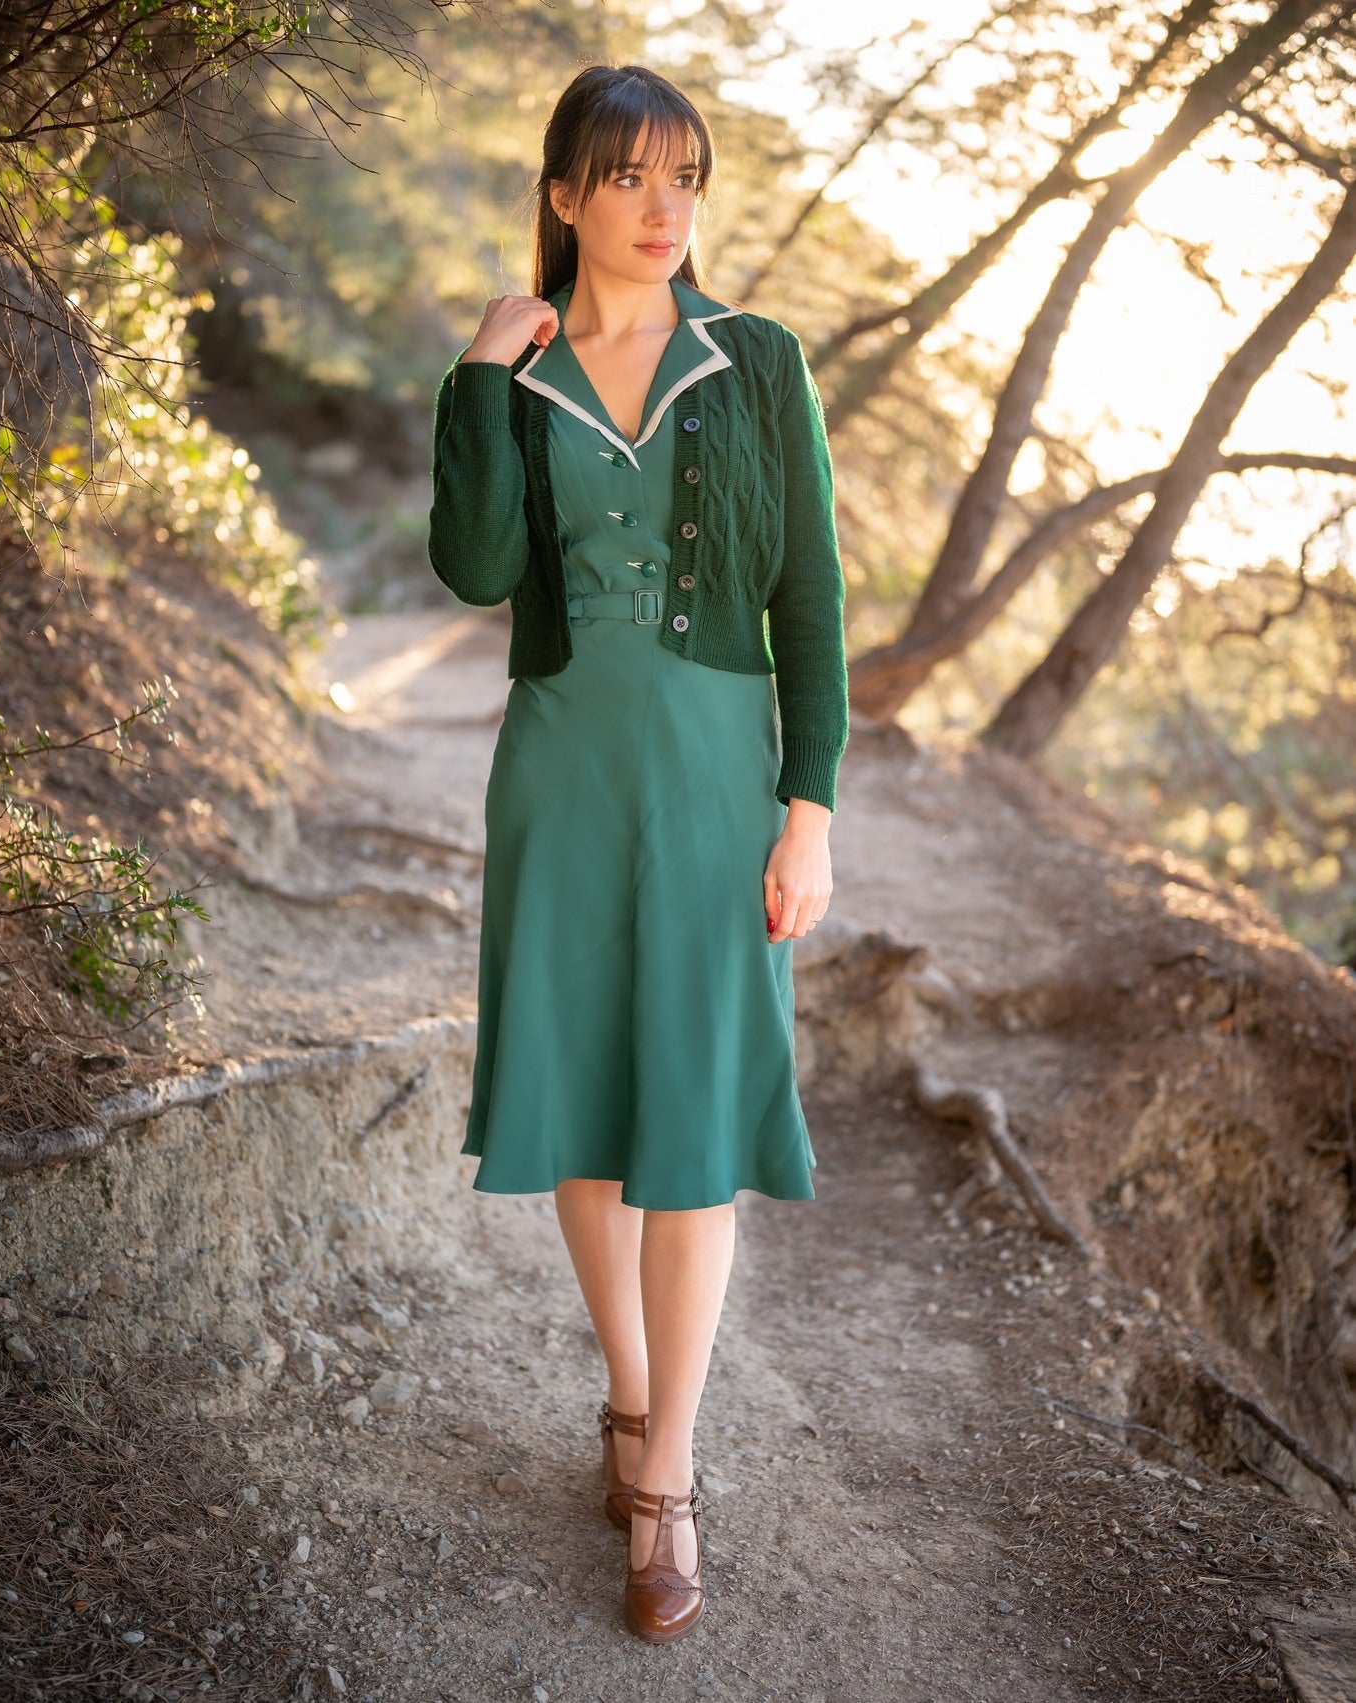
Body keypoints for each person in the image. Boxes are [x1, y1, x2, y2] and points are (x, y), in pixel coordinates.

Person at [427, 61, 849, 1644]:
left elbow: (807, 598)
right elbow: (473, 570)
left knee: (696, 1120)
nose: (666, 208)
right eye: (628, 178)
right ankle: (625, 1393)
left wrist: (808, 805)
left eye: (687, 178)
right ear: (565, 197)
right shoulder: (517, 375)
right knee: (588, 1109)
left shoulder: (760, 362)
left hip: (717, 776)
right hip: (562, 768)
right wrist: (479, 370)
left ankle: (665, 1475)